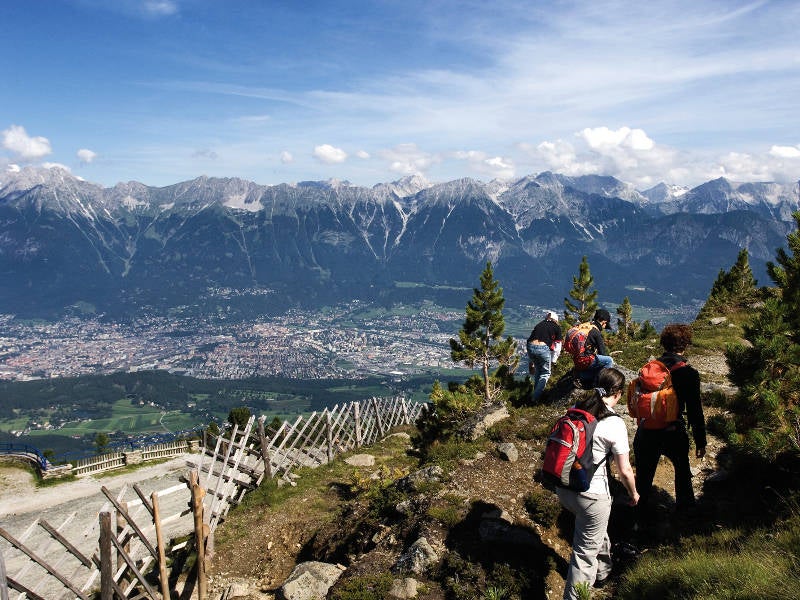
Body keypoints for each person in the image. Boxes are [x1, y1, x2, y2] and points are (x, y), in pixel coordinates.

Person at [557, 367, 639, 599]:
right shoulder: (614, 423)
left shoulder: (575, 410)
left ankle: (602, 573)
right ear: (618, 393)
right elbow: (624, 470)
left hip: (564, 487)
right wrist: (633, 493)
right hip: (592, 495)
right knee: (583, 555)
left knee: (593, 529)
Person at [633, 323, 706, 514]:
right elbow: (695, 410)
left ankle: (638, 517)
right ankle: (685, 512)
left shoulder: (651, 369)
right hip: (673, 431)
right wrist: (701, 441)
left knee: (643, 478)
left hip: (646, 430)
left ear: (664, 343)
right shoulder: (688, 373)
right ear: (685, 344)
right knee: (682, 471)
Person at [526, 310, 563, 401]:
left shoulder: (539, 324)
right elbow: (558, 347)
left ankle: (535, 394)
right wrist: (554, 361)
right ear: (556, 320)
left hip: (530, 346)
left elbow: (530, 340)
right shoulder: (556, 327)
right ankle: (535, 398)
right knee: (546, 373)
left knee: (538, 371)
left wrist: (531, 361)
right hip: (542, 348)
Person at [576, 308, 614, 386]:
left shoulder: (587, 326)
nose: (604, 328)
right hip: (585, 360)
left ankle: (583, 376)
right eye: (605, 325)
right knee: (609, 360)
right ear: (604, 322)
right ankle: (598, 382)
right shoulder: (596, 332)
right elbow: (603, 353)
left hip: (577, 359)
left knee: (595, 360)